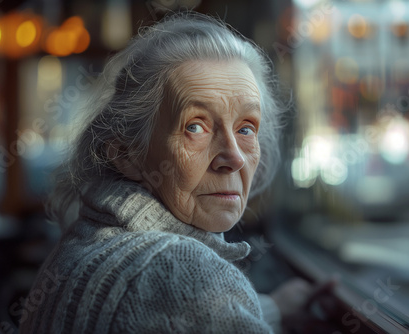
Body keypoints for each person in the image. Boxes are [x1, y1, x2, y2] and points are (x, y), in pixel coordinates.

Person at [20, 12, 320, 334]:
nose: (233, 157)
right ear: (126, 154)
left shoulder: (88, 238)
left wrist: (272, 310)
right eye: (196, 126)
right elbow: (175, 291)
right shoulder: (179, 267)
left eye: (246, 128)